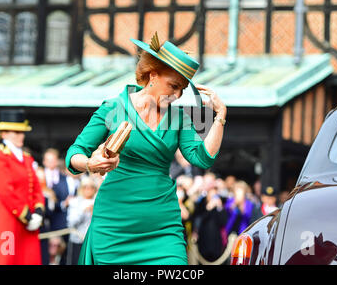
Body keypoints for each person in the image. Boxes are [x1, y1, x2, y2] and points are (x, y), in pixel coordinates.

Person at [65, 33, 226, 265]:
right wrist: (90, 163)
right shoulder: (113, 108)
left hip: (162, 227)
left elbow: (203, 158)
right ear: (152, 75)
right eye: (173, 86)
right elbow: (74, 153)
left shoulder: (181, 117)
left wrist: (220, 116)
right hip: (114, 224)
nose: (177, 95)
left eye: (181, 89)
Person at [0, 109, 45, 265]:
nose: (21, 136)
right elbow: (5, 191)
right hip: (9, 219)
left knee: (28, 260)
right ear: (3, 134)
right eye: (16, 132)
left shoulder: (27, 157)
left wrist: (39, 210)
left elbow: (36, 187)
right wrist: (26, 215)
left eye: (22, 132)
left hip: (30, 221)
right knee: (6, 259)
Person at [67, 177, 97, 265]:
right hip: (77, 240)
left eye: (91, 187)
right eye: (85, 187)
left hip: (93, 241)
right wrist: (84, 212)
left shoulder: (97, 202)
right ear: (81, 188)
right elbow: (71, 223)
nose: (89, 189)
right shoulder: (75, 202)